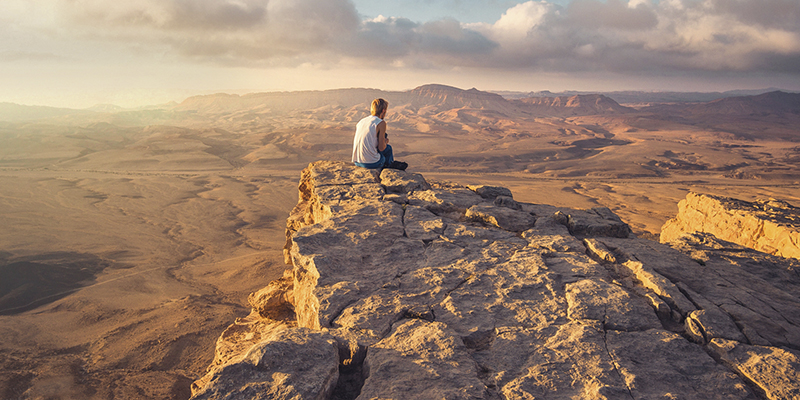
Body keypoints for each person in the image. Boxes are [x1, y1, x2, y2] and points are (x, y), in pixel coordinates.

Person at [352, 98, 408, 170]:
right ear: (383, 110)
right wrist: (385, 142)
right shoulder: (380, 123)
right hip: (371, 163)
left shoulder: (361, 121)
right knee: (388, 148)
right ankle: (389, 167)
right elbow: (381, 148)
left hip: (357, 161)